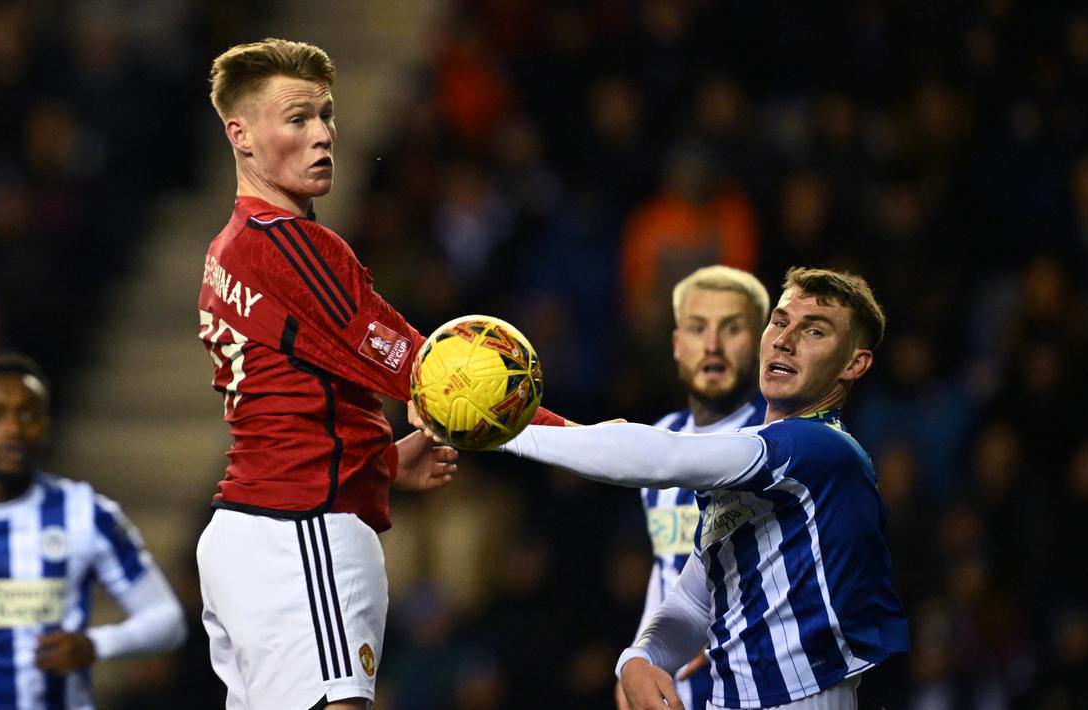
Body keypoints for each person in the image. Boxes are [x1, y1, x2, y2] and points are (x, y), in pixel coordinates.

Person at [194, 38, 565, 710]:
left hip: (246, 533)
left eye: (326, 115)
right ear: (239, 135)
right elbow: (435, 372)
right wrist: (577, 436)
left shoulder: (227, 248)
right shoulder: (292, 247)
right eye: (297, 118)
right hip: (302, 529)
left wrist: (380, 462)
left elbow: (285, 403)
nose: (323, 134)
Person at [502, 267, 909, 709]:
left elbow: (664, 457)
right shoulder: (754, 474)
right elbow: (695, 604)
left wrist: (499, 427)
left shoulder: (823, 449)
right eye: (780, 321)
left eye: (814, 330)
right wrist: (638, 658)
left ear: (854, 364)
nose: (785, 340)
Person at [0, 353, 186, 710]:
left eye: (28, 415)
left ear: (44, 426)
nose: (13, 429)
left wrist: (95, 645)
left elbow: (168, 619)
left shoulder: (86, 513)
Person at [617, 265, 768, 710]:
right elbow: (666, 567)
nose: (713, 344)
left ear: (761, 343)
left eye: (732, 328)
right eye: (698, 328)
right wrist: (638, 657)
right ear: (677, 344)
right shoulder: (660, 438)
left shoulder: (775, 442)